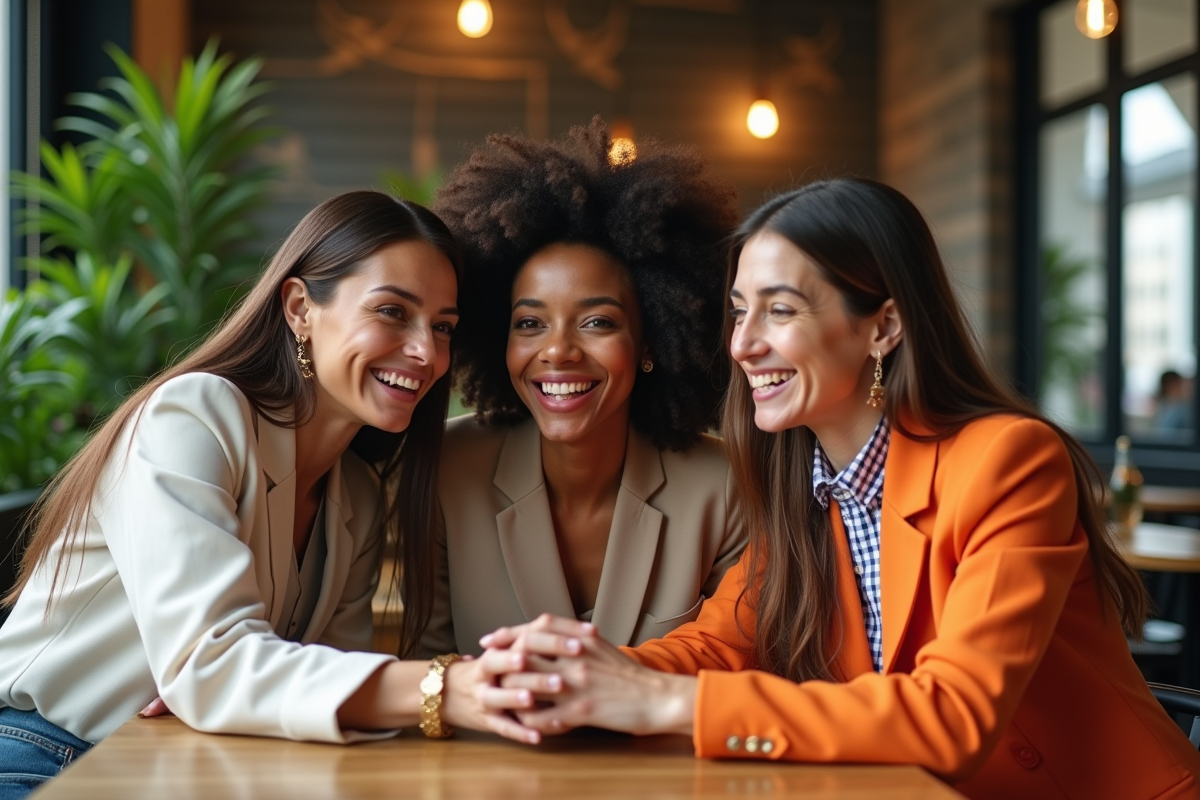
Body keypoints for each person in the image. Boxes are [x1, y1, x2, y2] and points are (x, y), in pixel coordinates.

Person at [482, 178, 1200, 800]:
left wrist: (666, 703)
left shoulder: (1008, 460)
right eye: (739, 309)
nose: (742, 344)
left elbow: (955, 715)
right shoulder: (808, 488)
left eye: (780, 310)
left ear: (882, 326)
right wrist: (573, 676)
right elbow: (718, 644)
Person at [0, 191, 555, 800]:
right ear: (299, 309)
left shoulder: (358, 496)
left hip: (176, 768)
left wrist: (237, 693)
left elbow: (315, 697)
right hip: (48, 758)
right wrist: (448, 689)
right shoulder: (195, 416)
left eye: (443, 327)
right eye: (393, 311)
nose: (427, 352)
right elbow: (215, 667)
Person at [411, 118, 746, 658]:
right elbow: (429, 661)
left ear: (651, 341)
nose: (558, 351)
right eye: (529, 323)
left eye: (597, 322)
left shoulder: (724, 489)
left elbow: (731, 660)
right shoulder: (449, 467)